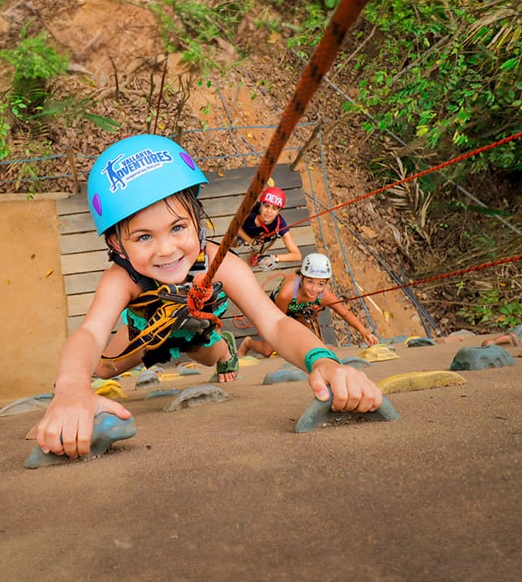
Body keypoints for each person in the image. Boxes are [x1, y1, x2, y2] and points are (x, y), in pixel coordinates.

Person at [32, 135, 385, 459]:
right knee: (100, 367)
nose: (166, 250)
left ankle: (226, 350)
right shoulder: (122, 277)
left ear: (198, 222)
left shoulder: (220, 263)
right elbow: (91, 334)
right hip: (144, 333)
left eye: (178, 227)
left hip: (198, 330)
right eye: (143, 237)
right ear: (115, 244)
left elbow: (275, 323)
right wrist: (71, 391)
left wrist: (323, 361)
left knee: (213, 354)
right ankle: (63, 400)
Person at [240, 253, 381, 358]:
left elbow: (344, 313)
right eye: (310, 282)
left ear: (326, 283)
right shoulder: (286, 293)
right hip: (278, 310)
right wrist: (267, 329)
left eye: (320, 284)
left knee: (309, 338)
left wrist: (364, 333)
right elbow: (279, 321)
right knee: (267, 350)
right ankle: (247, 343)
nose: (314, 289)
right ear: (302, 278)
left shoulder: (325, 295)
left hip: (299, 311)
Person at [237, 185, 303, 269]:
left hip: (263, 240)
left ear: (278, 212)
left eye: (274, 208)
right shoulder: (248, 212)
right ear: (261, 205)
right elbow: (235, 227)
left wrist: (274, 258)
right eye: (266, 206)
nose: (269, 212)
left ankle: (256, 255)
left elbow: (297, 256)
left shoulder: (279, 225)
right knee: (235, 244)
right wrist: (250, 241)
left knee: (260, 249)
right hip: (244, 231)